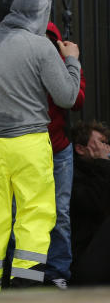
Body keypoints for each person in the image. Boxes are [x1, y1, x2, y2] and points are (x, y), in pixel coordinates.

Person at [0, 0, 81, 289]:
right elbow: (67, 96)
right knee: (34, 215)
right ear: (42, 16)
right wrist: (72, 61)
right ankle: (26, 287)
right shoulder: (40, 46)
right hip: (29, 144)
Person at [43, 21, 86, 289]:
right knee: (21, 214)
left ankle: (58, 272)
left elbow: (76, 100)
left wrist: (72, 63)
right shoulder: (26, 60)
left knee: (60, 214)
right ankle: (24, 273)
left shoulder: (65, 64)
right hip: (26, 149)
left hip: (58, 149)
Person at [67, 120, 110, 285]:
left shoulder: (103, 170)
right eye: (101, 143)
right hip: (81, 262)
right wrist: (103, 163)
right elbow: (96, 204)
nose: (106, 148)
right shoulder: (70, 176)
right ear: (80, 148)